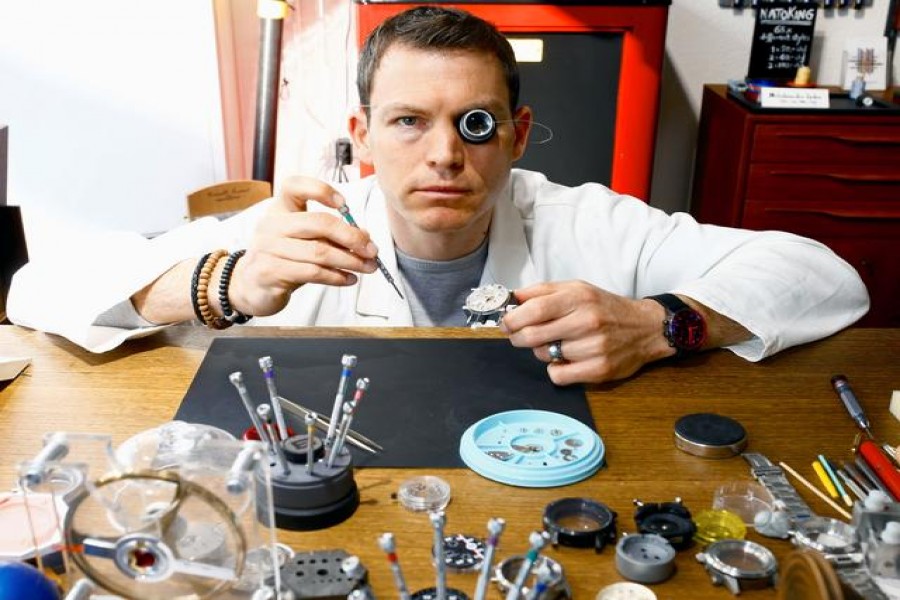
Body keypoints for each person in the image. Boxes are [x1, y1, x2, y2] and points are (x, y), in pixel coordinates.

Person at [8, 7, 868, 385]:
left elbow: (827, 275)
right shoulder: (303, 231)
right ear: (365, 133)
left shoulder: (587, 220)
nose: (445, 155)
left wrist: (664, 323)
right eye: (410, 121)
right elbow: (31, 289)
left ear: (521, 136)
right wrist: (221, 282)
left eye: (477, 125)